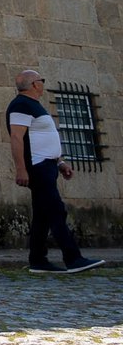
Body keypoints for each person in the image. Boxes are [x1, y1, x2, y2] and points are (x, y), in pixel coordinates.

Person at [7, 69, 104, 274]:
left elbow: (43, 138)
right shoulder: (21, 105)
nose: (42, 83)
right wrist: (21, 169)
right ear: (34, 84)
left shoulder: (35, 106)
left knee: (42, 215)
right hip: (38, 167)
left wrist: (60, 162)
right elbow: (16, 138)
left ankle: (38, 260)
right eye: (41, 80)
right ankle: (73, 258)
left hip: (48, 165)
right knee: (56, 211)